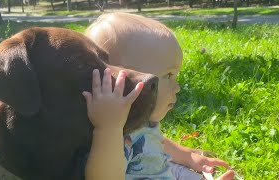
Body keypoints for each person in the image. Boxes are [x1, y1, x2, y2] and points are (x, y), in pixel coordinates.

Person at [84, 13, 235, 180]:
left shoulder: (141, 119)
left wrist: (189, 157)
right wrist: (108, 128)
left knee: (173, 167)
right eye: (168, 75)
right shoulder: (114, 135)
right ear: (123, 79)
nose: (177, 87)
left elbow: (156, 141)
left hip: (160, 169)